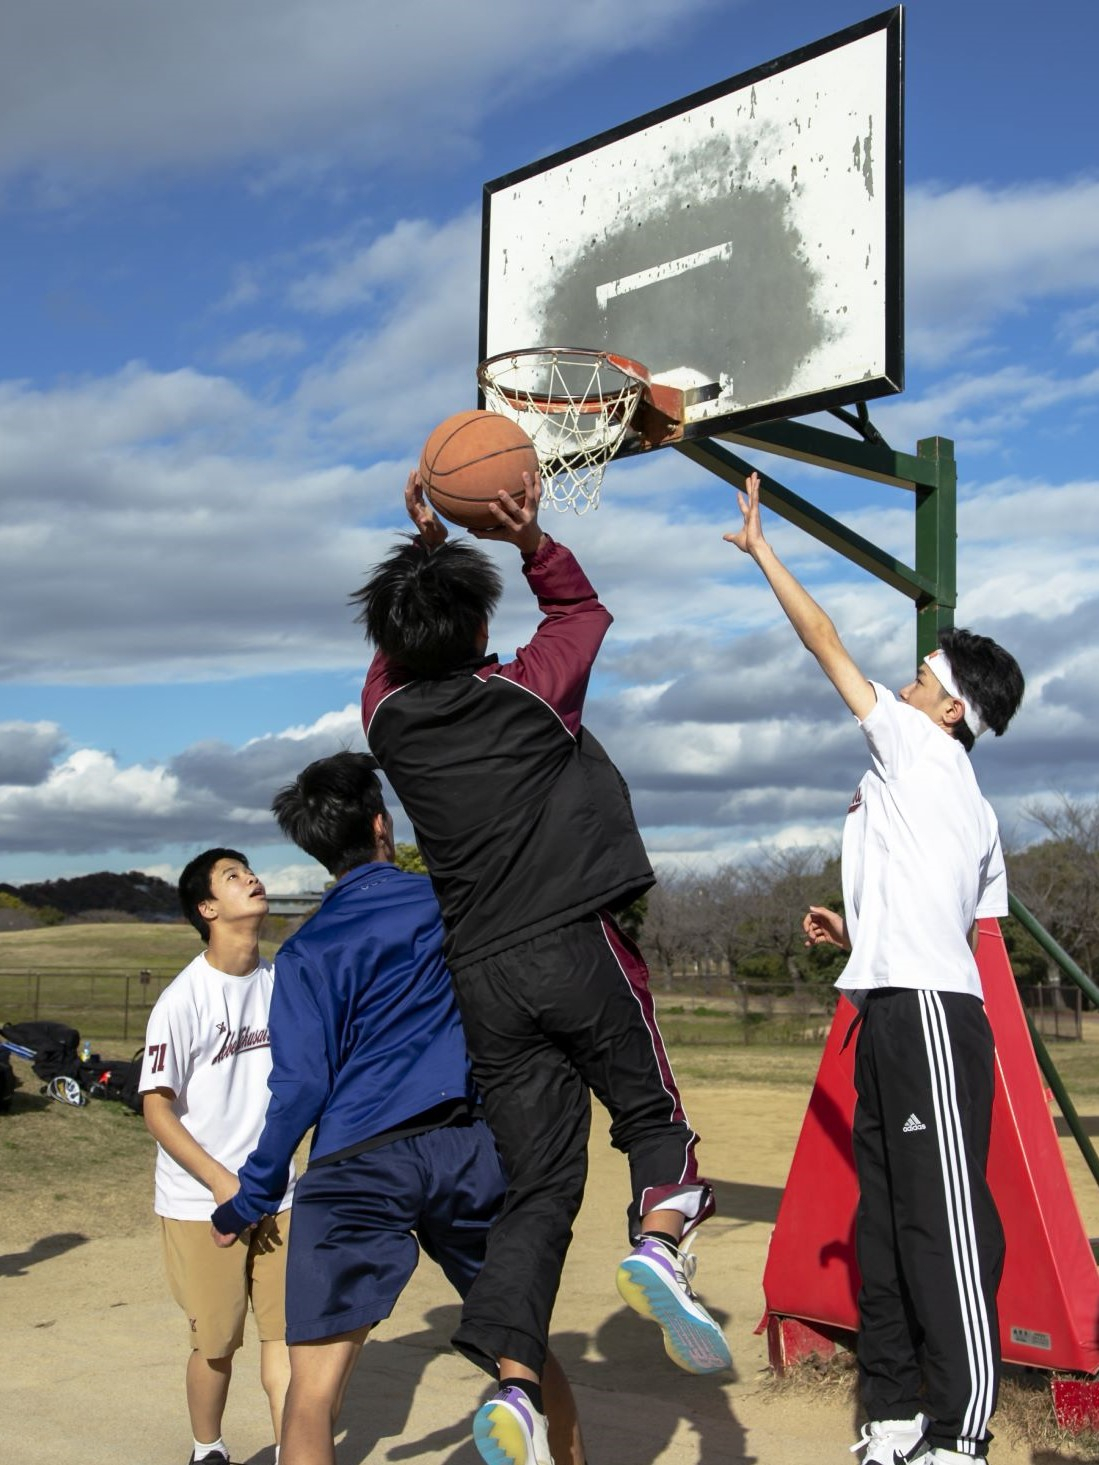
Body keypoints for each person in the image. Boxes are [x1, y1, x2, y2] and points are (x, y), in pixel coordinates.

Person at [352, 470, 730, 1465]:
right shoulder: (527, 692)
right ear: (480, 630)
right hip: (574, 941)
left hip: (483, 976)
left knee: (537, 1189)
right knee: (649, 1110)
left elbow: (392, 662)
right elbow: (581, 606)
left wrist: (430, 558)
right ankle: (659, 1237)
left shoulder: (387, 722)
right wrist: (522, 538)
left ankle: (517, 1391)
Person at [725, 471, 1025, 1465]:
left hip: (932, 1019)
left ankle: (960, 1431)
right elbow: (962, 914)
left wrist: (765, 550)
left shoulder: (914, 749)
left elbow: (825, 645)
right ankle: (893, 1414)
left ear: (952, 711)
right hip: (894, 1004)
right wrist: (862, 937)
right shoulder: (948, 792)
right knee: (891, 1223)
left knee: (939, 1224)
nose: (907, 683)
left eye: (926, 677)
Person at [209, 751, 585, 1465]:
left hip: (354, 1162)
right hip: (466, 1147)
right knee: (521, 1354)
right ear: (382, 825)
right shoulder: (449, 901)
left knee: (312, 1394)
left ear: (320, 849)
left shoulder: (305, 950)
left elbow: (298, 1089)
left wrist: (250, 1196)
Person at [140, 848, 294, 1465]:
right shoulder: (182, 999)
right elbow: (156, 1109)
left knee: (286, 1338)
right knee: (217, 1344)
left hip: (279, 1195)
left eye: (249, 870)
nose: (251, 879)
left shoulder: (282, 985)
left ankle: (295, 1450)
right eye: (233, 876)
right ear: (207, 908)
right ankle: (208, 1450)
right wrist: (221, 1182)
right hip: (201, 1202)